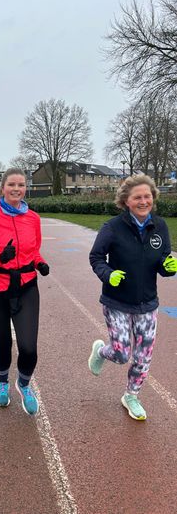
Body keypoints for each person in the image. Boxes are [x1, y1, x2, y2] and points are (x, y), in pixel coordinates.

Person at [88, 174, 177, 421]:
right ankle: (101, 351)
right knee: (121, 354)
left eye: (147, 196)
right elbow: (96, 257)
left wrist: (168, 267)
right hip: (117, 302)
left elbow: (162, 260)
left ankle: (131, 396)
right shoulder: (112, 228)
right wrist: (108, 274)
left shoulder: (159, 226)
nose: (143, 201)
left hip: (147, 303)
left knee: (143, 356)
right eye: (137, 197)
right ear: (126, 200)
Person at [0, 168, 50, 416]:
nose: (17, 189)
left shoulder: (33, 218)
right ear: (2, 188)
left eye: (21, 185)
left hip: (26, 286)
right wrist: (0, 258)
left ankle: (24, 385)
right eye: (12, 185)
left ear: (26, 188)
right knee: (4, 343)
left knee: (28, 347)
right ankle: (3, 382)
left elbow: (34, 251)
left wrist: (40, 263)